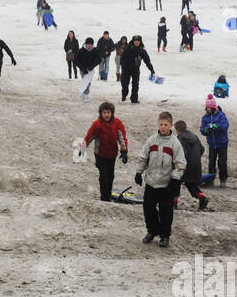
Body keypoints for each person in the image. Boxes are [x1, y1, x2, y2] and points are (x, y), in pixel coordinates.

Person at [134, 111, 185, 248]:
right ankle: (152, 230)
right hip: (151, 182)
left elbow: (180, 163)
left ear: (171, 125)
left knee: (166, 211)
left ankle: (165, 235)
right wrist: (139, 172)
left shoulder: (175, 143)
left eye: (166, 124)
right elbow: (143, 156)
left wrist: (175, 179)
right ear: (158, 124)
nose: (163, 127)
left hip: (166, 184)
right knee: (148, 208)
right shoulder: (151, 140)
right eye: (161, 124)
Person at [81, 101, 128, 201]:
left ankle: (108, 193)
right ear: (101, 114)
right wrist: (83, 148)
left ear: (112, 113)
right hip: (100, 154)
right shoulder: (96, 125)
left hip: (112, 154)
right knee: (104, 175)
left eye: (108, 112)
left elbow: (122, 137)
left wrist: (124, 150)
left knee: (111, 175)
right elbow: (89, 137)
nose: (106, 114)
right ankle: (104, 197)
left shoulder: (117, 123)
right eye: (104, 112)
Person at [173, 120, 208, 211]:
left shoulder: (179, 139)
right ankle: (202, 197)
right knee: (190, 183)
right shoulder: (195, 137)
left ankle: (173, 202)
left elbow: (181, 154)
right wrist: (195, 159)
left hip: (185, 166)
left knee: (176, 182)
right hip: (196, 165)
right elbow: (202, 149)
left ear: (177, 130)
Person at [200, 94, 230, 185]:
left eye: (209, 107)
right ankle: (210, 180)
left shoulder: (221, 115)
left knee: (222, 163)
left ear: (213, 107)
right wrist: (206, 130)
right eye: (206, 107)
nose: (207, 109)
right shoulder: (205, 118)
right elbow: (202, 129)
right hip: (212, 144)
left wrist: (215, 126)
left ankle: (223, 180)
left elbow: (225, 126)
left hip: (222, 144)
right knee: (211, 162)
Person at [120, 35, 154, 104]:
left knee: (135, 85)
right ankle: (124, 94)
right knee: (125, 85)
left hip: (135, 70)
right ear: (133, 41)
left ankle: (134, 99)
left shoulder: (142, 51)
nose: (136, 42)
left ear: (140, 42)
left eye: (138, 41)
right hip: (126, 70)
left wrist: (151, 69)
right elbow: (122, 59)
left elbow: (147, 61)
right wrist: (123, 67)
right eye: (135, 41)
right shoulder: (128, 49)